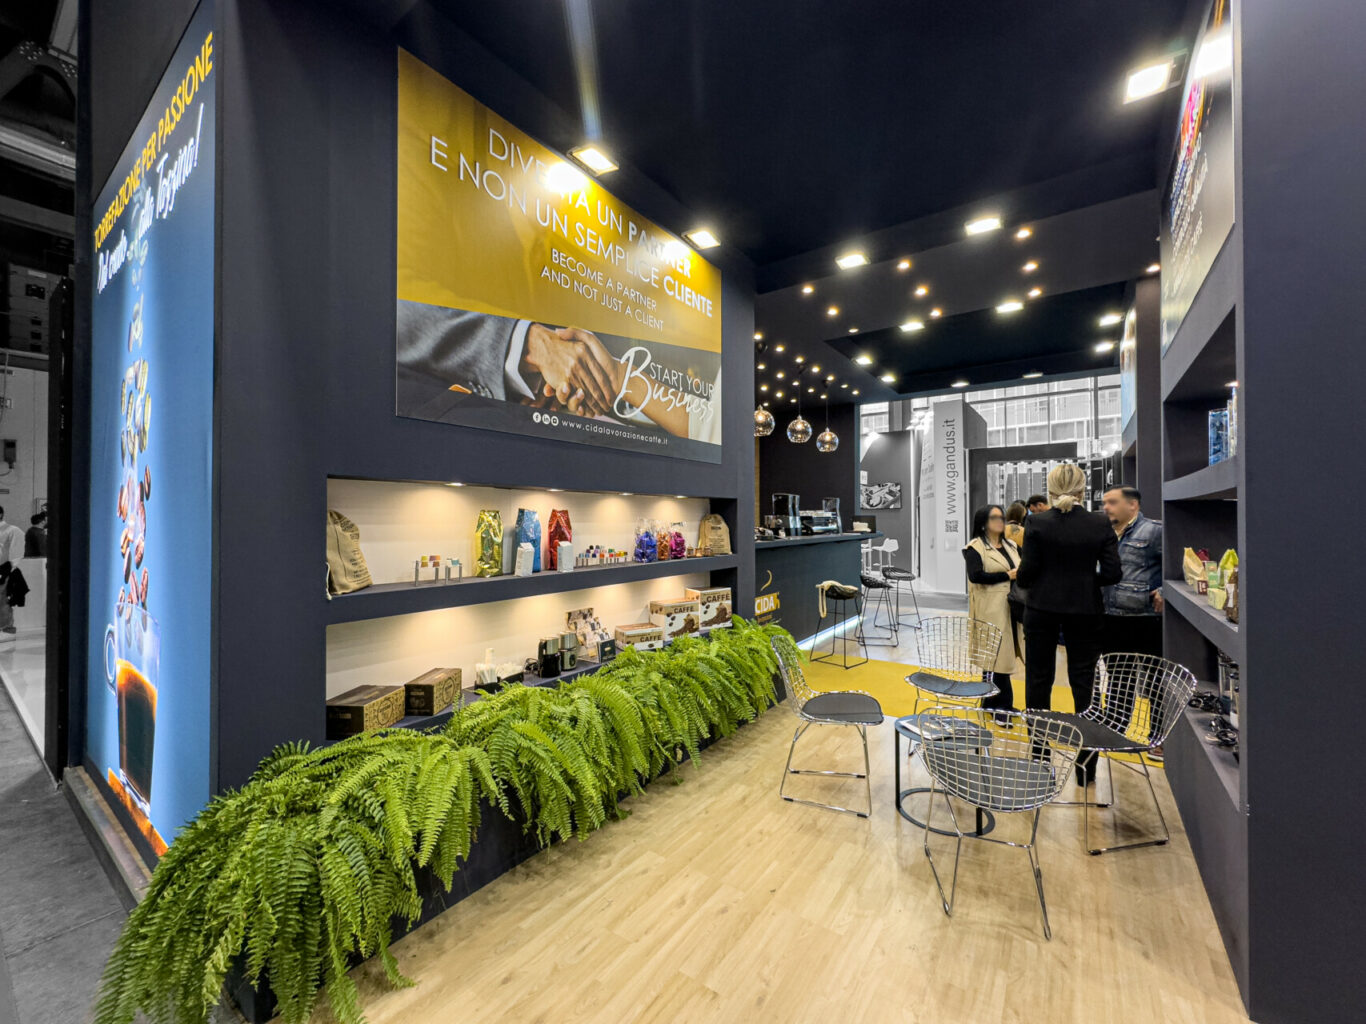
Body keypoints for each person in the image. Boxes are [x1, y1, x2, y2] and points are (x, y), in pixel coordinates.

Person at [1017, 465, 1122, 784]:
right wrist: (1085, 582)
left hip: (1041, 609)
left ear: (1050, 489)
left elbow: (1026, 573)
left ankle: (1039, 756)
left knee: (1038, 681)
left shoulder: (1036, 521)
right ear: (1082, 488)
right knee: (1084, 683)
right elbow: (1114, 573)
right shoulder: (1100, 522)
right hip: (1085, 610)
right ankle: (1087, 762)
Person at [1101, 485, 1167, 757]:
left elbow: (1174, 565)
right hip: (1111, 617)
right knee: (1118, 677)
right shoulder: (1103, 534)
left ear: (1133, 505)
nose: (1106, 507)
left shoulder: (1154, 531)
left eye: (1112, 502)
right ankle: (1115, 730)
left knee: (1154, 681)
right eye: (1105, 503)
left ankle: (1158, 738)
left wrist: (1164, 590)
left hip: (1146, 618)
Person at [962, 505, 1020, 713]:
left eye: (1001, 516)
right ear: (983, 523)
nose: (1000, 520)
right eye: (994, 517)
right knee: (996, 658)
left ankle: (992, 703)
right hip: (991, 609)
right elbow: (975, 576)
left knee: (1002, 657)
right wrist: (1007, 576)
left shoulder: (1011, 545)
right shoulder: (975, 548)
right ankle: (1000, 706)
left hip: (1013, 607)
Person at [0, 507, 25, 635]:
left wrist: (8, 567)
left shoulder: (12, 530)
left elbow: (18, 551)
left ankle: (6, 629)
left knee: (2, 599)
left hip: (3, 569)